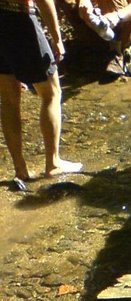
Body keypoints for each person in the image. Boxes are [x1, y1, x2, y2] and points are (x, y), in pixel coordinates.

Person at [0, 0, 82, 181]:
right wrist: (57, 38)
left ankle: (20, 169)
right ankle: (53, 163)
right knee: (51, 93)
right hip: (20, 17)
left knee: (8, 98)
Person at [76, 0, 131, 77]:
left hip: (117, 25)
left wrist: (117, 16)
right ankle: (89, 46)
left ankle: (116, 53)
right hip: (92, 22)